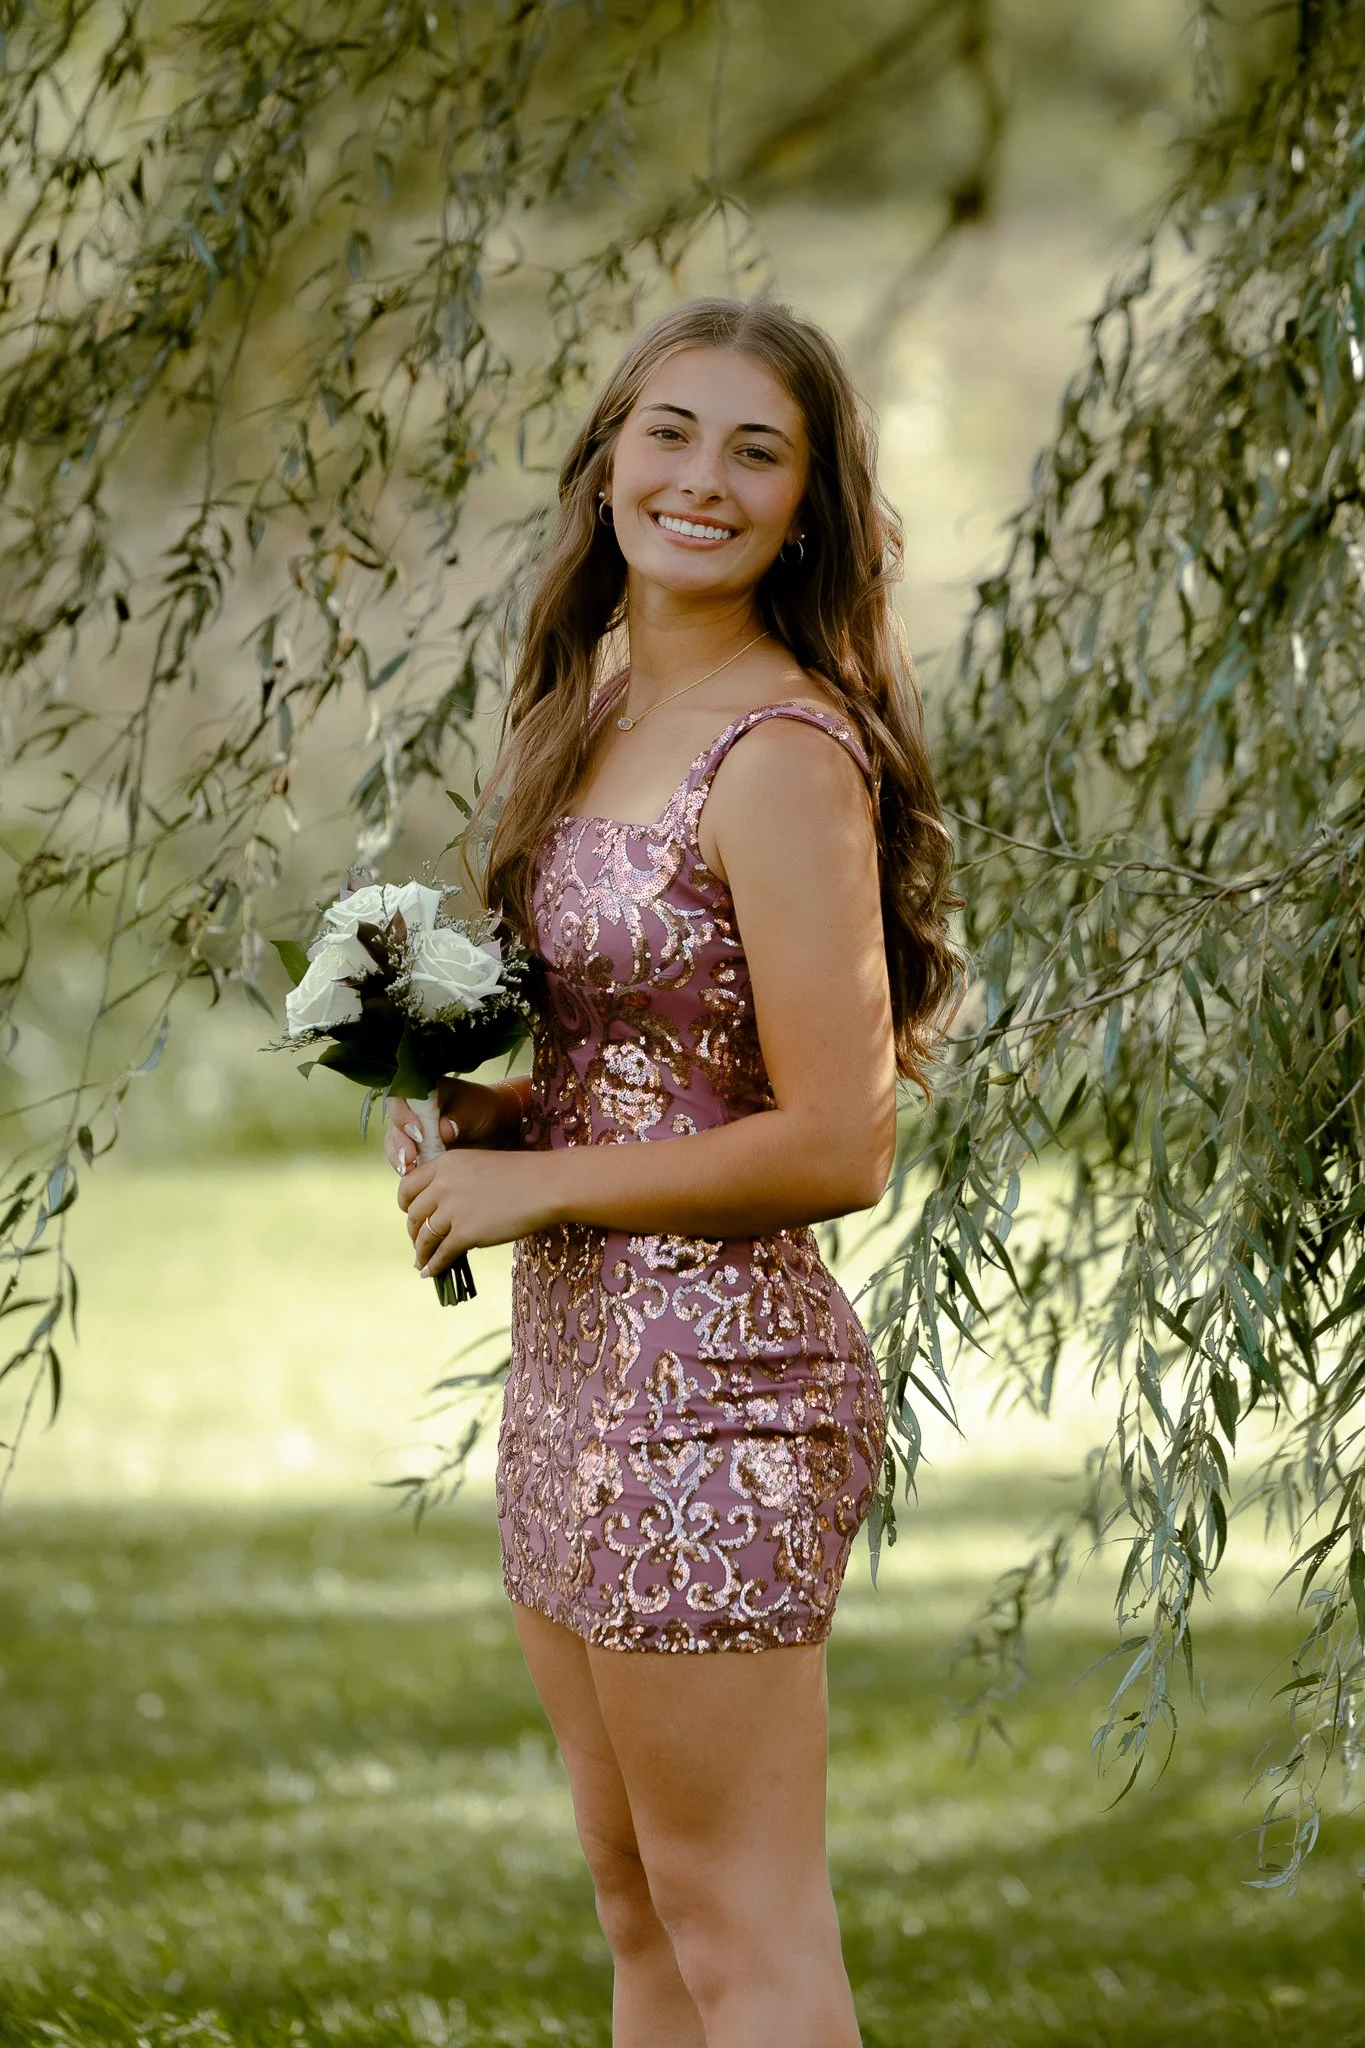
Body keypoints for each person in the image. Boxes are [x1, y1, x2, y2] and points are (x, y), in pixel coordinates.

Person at [386, 296, 964, 2048]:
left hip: (717, 1396)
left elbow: (840, 1139)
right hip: (576, 1376)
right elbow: (646, 1073)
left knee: (744, 1925)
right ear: (609, 462)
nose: (702, 479)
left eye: (757, 450)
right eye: (671, 432)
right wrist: (491, 1118)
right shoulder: (601, 706)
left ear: (808, 510)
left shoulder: (782, 755)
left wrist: (538, 1192)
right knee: (641, 1906)